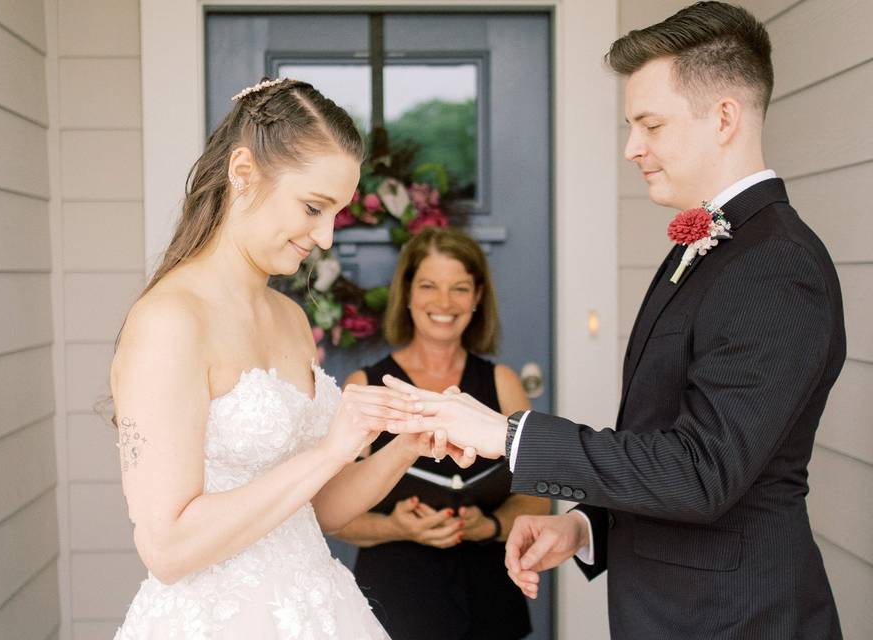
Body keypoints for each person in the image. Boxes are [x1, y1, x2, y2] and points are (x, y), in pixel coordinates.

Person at [384, 3, 846, 638]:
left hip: (734, 620)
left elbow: (705, 472)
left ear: (724, 118)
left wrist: (509, 437)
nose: (632, 148)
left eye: (650, 125)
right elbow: (670, 443)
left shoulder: (775, 264)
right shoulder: (708, 246)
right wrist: (584, 526)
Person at [111, 78, 460, 639]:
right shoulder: (170, 321)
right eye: (313, 208)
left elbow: (316, 512)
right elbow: (167, 548)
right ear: (243, 172)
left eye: (336, 215)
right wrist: (330, 451)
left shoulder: (290, 319)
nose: (324, 238)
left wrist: (408, 444)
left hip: (317, 608)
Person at [333, 227, 549, 639]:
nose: (444, 302)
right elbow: (332, 514)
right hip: (394, 596)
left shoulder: (502, 382)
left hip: (489, 595)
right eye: (429, 286)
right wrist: (397, 527)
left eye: (460, 288)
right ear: (408, 294)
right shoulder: (366, 385)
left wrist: (491, 525)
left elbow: (536, 498)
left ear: (478, 297)